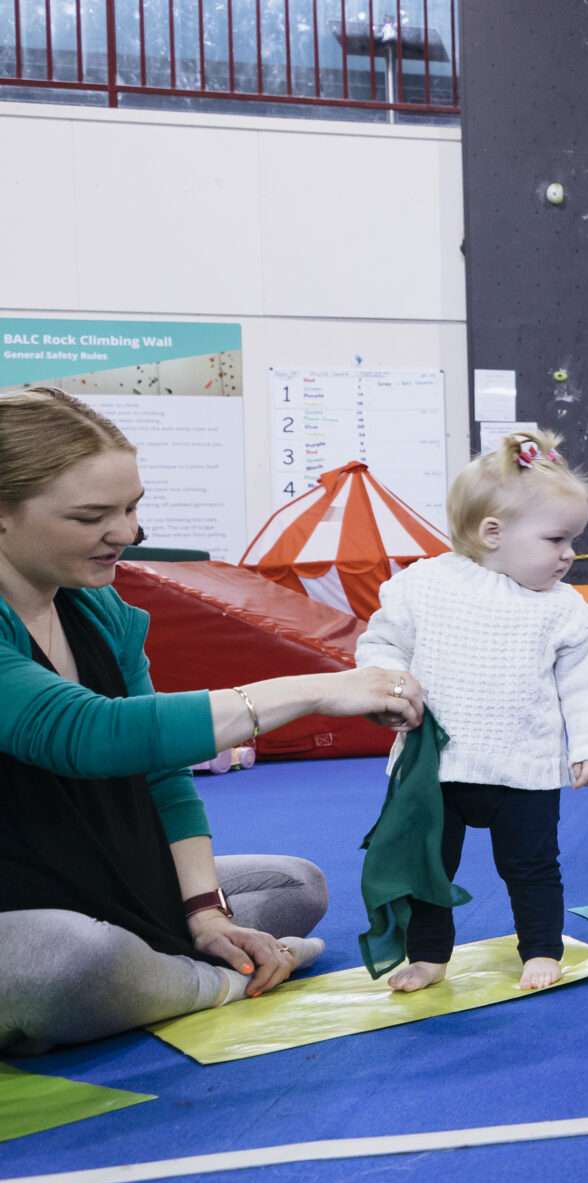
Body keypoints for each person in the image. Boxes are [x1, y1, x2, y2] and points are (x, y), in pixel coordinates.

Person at [0, 385, 418, 1054]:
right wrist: (311, 690)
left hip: (93, 872)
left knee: (295, 884)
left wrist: (205, 911)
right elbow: (86, 734)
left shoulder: (101, 611)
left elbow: (160, 772)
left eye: (133, 508)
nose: (128, 534)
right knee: (69, 959)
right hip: (23, 911)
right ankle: (204, 984)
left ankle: (165, 965)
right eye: (91, 516)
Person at [357, 430, 588, 991]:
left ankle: (541, 949)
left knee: (532, 866)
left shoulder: (566, 613)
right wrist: (389, 689)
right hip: (434, 768)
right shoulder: (422, 585)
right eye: (556, 539)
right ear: (492, 533)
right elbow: (381, 646)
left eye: (572, 539)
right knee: (427, 865)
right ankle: (427, 955)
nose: (569, 553)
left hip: (524, 767)